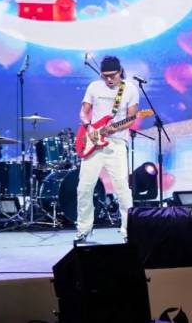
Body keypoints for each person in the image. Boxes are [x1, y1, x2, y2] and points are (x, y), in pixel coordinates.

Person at [75, 56, 138, 242]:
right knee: (84, 188)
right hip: (93, 142)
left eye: (113, 75)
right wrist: (88, 127)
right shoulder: (94, 87)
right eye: (105, 76)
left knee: (122, 189)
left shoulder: (130, 89)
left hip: (116, 144)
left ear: (120, 72)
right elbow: (83, 112)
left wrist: (114, 128)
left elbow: (131, 118)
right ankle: (84, 230)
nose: (109, 79)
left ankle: (128, 231)